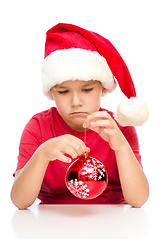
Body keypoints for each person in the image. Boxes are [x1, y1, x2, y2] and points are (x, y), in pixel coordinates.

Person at [11, 23, 149, 209]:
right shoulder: (38, 126)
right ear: (51, 92)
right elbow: (20, 202)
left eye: (87, 89)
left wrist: (121, 147)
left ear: (103, 88)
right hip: (50, 221)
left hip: (112, 219)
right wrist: (42, 154)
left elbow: (138, 200)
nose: (76, 102)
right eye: (63, 92)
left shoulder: (118, 127)